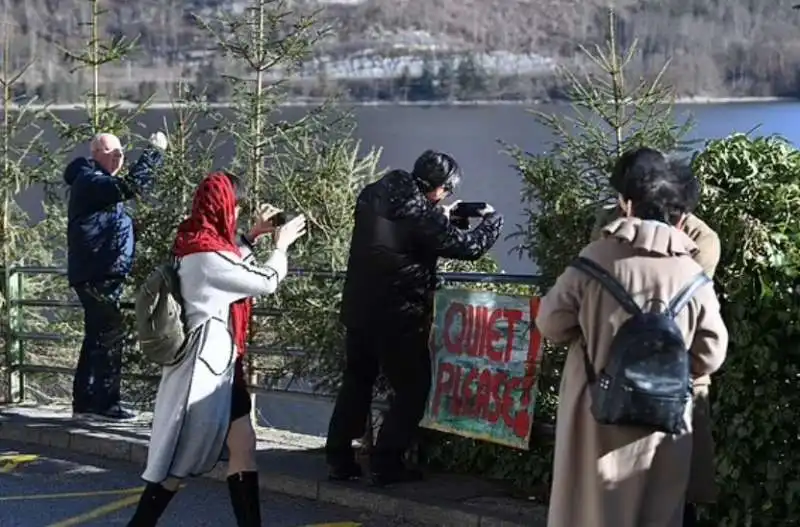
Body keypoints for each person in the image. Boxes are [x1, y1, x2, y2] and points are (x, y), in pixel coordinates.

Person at [536, 148, 729, 527]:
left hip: (595, 409)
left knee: (590, 510)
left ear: (627, 203)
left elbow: (550, 324)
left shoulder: (594, 259)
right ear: (678, 210)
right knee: (656, 508)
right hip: (662, 416)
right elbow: (711, 353)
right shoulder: (691, 272)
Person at [126, 171, 307, 526]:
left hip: (220, 367)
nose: (237, 213)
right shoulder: (205, 255)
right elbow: (263, 281)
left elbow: (230, 264)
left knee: (243, 446)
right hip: (203, 374)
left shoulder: (198, 242)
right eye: (235, 206)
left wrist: (252, 236)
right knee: (176, 463)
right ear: (223, 206)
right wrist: (281, 246)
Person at [325, 150, 504, 486]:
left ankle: (338, 458)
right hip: (399, 315)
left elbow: (405, 235)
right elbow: (467, 247)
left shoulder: (373, 194)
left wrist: (441, 217)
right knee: (412, 386)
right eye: (446, 191)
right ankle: (387, 463)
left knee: (357, 381)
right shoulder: (423, 214)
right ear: (438, 188)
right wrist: (493, 223)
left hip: (359, 309)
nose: (445, 197)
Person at [591, 148, 723, 524]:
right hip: (618, 374)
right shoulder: (608, 223)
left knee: (677, 483)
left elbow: (690, 312)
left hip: (676, 376)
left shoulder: (702, 239)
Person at [65, 131, 167, 420]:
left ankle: (85, 401)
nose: (120, 157)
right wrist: (154, 154)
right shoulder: (91, 180)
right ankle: (105, 404)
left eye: (122, 151)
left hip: (97, 270)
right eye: (113, 152)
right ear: (97, 152)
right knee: (110, 334)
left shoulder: (94, 181)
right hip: (98, 272)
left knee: (96, 335)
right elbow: (128, 188)